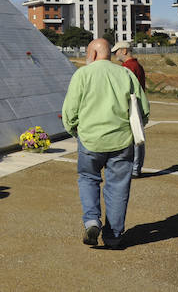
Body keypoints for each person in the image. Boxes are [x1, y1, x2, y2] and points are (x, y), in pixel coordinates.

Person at [62, 38, 149, 248]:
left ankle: (92, 221)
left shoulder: (82, 74)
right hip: (121, 141)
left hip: (90, 139)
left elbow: (70, 111)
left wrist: (75, 130)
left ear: (91, 54)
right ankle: (113, 235)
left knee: (88, 178)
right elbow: (143, 110)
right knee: (118, 187)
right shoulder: (126, 74)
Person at [112, 41, 147, 177]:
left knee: (133, 136)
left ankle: (134, 168)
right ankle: (135, 167)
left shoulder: (127, 67)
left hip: (130, 104)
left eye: (117, 51)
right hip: (137, 102)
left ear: (124, 51)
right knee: (137, 134)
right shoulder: (137, 65)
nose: (115, 54)